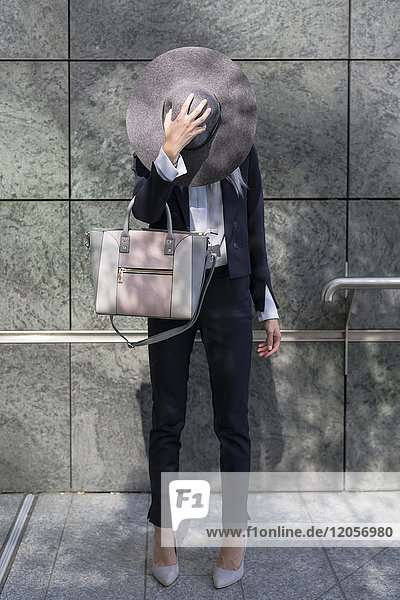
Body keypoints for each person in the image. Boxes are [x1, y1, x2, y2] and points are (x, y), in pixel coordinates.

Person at [131, 91, 282, 588]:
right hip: (169, 281)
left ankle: (233, 539)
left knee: (233, 422)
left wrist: (267, 305)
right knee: (167, 418)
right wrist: (168, 153)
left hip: (230, 288)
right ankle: (164, 536)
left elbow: (255, 226)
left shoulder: (241, 148)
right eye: (185, 115)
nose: (195, 121)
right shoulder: (153, 147)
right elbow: (144, 215)